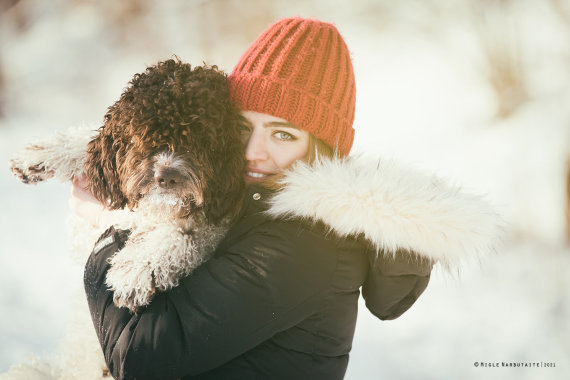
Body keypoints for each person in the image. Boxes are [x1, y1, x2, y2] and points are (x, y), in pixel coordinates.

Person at [74, 17, 498, 380]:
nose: (254, 150)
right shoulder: (252, 207)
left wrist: (106, 232)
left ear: (322, 146)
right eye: (243, 128)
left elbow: (141, 357)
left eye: (282, 134)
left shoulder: (307, 243)